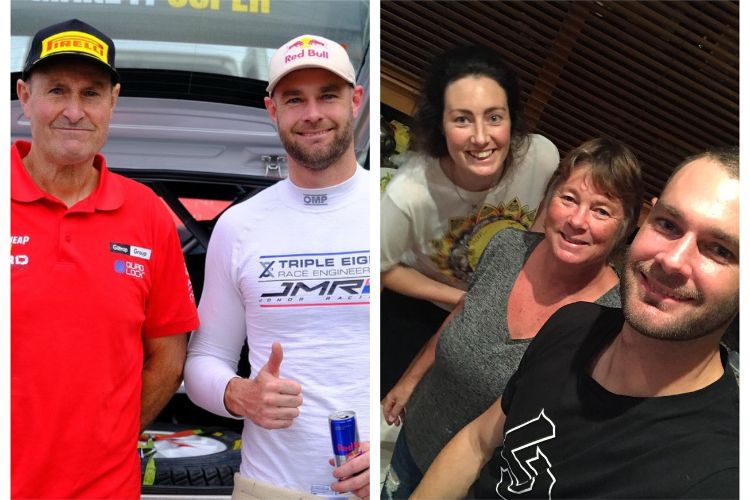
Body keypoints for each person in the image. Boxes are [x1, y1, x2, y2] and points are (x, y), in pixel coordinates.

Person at [413, 147, 739, 499]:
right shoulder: (573, 324)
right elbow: (478, 443)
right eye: (668, 224)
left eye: (720, 249)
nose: (673, 260)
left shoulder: (719, 473)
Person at [380, 138, 643, 498]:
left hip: (484, 485)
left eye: (601, 211)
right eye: (568, 198)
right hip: (417, 438)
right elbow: (463, 313)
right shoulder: (506, 246)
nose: (577, 221)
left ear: (624, 226)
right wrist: (410, 379)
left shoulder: (612, 319)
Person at [11, 19, 199, 498]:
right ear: (24, 97)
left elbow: (169, 355)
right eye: (56, 90)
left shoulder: (147, 215)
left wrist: (107, 440)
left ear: (113, 101)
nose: (74, 111)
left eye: (91, 93)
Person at [184, 34, 370, 499]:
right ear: (272, 110)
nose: (312, 114)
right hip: (269, 487)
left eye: (328, 95)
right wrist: (238, 395)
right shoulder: (239, 226)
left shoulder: (389, 210)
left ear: (356, 100)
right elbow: (203, 360)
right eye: (294, 99)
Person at [380, 45, 560, 396]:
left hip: (493, 308)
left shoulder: (541, 158)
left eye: (494, 117)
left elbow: (539, 230)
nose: (481, 137)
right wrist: (455, 298)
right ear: (441, 125)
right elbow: (381, 268)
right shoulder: (410, 193)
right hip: (420, 305)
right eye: (462, 119)